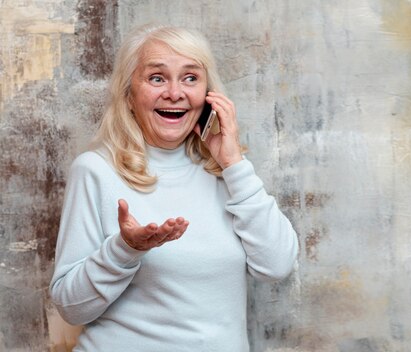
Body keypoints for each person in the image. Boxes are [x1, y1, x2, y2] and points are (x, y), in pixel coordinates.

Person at [49, 24, 298, 351]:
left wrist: (234, 163)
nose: (175, 93)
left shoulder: (227, 173)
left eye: (190, 78)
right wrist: (125, 249)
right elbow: (71, 308)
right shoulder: (96, 170)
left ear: (209, 95)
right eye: (156, 78)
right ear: (129, 93)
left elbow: (276, 266)